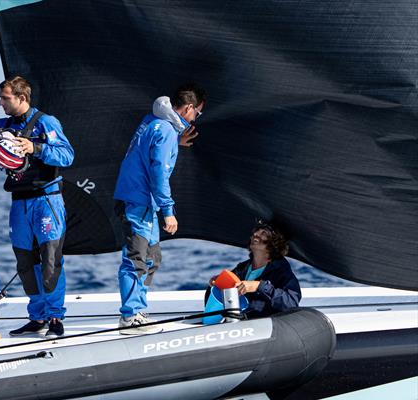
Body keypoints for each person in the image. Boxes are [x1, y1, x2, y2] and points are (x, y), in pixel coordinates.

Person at [0, 76, 75, 337]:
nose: (0, 103)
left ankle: (55, 317)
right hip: (19, 202)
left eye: (5, 98)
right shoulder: (3, 126)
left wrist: (36, 147)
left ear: (21, 98)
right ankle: (38, 316)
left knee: (50, 259)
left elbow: (67, 155)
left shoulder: (46, 122)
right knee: (24, 260)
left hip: (46, 200)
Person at [113, 84, 206, 334]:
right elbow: (158, 174)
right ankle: (130, 316)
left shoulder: (156, 120)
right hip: (139, 202)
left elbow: (149, 150)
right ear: (188, 108)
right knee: (136, 259)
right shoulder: (165, 130)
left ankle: (138, 309)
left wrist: (176, 141)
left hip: (140, 201)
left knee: (153, 257)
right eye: (197, 113)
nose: (195, 118)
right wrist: (168, 210)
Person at [210, 222, 301, 317]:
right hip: (241, 323)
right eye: (256, 232)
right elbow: (219, 302)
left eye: (263, 233)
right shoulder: (241, 269)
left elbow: (291, 304)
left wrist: (259, 286)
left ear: (274, 242)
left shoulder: (281, 270)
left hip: (267, 326)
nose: (256, 234)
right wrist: (218, 283)